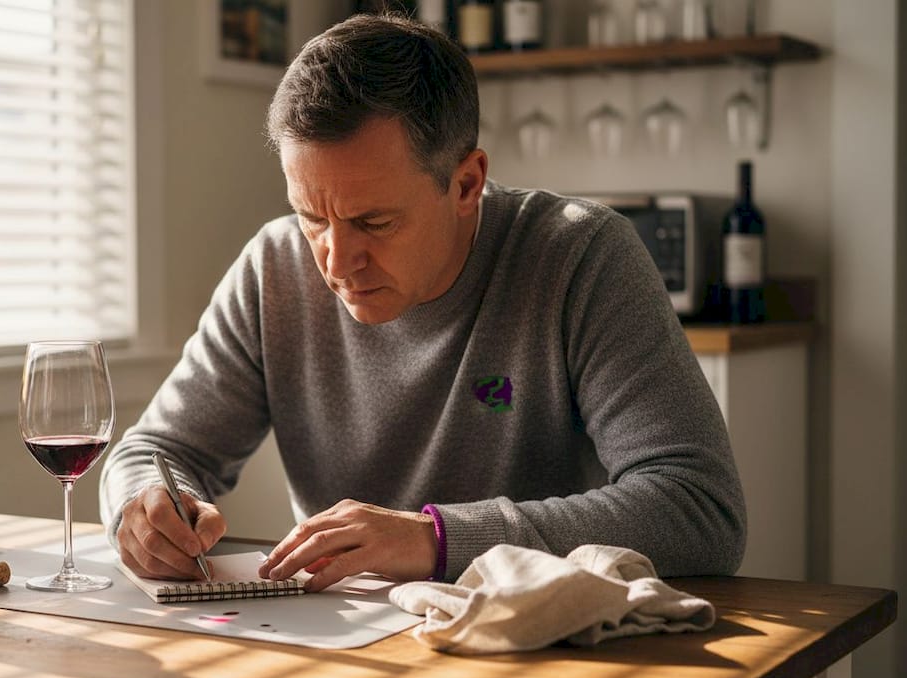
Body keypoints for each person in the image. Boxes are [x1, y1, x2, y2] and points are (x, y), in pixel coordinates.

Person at [100, 13, 745, 592]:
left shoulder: (580, 255)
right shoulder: (275, 268)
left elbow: (699, 508)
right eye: (311, 217)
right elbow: (153, 451)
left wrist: (436, 539)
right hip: (349, 645)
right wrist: (150, 505)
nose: (335, 261)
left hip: (540, 638)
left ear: (466, 184)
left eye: (374, 223)